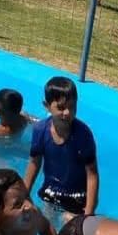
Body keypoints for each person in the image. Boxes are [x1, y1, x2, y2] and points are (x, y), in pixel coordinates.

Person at [24, 76, 100, 217]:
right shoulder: (40, 130)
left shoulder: (83, 135)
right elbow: (34, 163)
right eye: (61, 107)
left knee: (69, 222)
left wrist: (89, 211)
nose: (67, 113)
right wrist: (23, 194)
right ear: (46, 106)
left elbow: (92, 174)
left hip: (77, 196)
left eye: (72, 107)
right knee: (45, 222)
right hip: (51, 191)